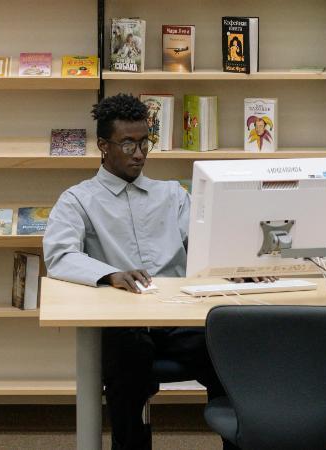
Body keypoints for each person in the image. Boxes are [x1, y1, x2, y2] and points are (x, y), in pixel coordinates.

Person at [42, 94, 225, 450]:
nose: (139, 154)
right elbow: (60, 255)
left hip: (177, 320)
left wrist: (238, 265)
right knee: (128, 363)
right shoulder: (78, 200)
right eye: (128, 144)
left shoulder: (172, 195)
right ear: (103, 146)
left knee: (234, 348)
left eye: (144, 143)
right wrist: (110, 274)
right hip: (123, 325)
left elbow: (206, 247)